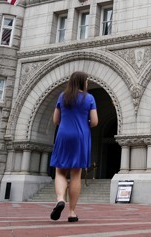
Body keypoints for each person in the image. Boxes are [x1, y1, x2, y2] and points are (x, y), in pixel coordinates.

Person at [49, 71, 98, 222]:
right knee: (76, 174)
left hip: (64, 135)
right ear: (83, 82)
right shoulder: (89, 98)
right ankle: (71, 212)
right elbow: (95, 121)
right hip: (81, 136)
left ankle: (59, 199)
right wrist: (84, 123)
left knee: (60, 171)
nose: (88, 83)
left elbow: (56, 120)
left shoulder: (62, 97)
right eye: (87, 81)